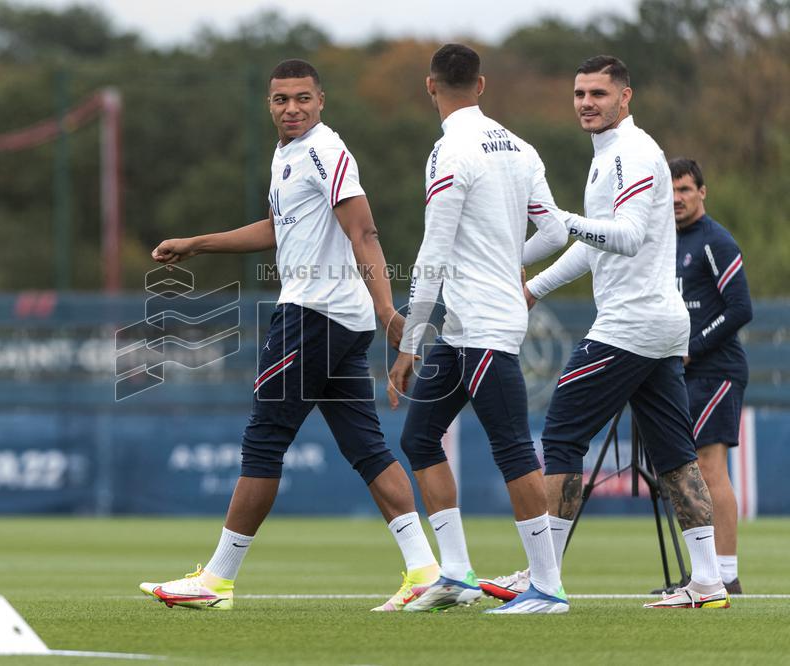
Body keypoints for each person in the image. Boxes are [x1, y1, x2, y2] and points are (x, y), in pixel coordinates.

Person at [140, 59, 441, 612]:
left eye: (303, 98)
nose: (292, 108)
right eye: (282, 99)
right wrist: (198, 243)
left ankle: (217, 581)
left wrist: (388, 312)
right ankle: (425, 571)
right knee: (366, 447)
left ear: (321, 101)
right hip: (334, 319)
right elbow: (279, 229)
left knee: (264, 440)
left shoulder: (325, 149)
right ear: (269, 105)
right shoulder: (288, 155)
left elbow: (364, 231)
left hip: (313, 316)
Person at [479, 55, 730, 609]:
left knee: (561, 436)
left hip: (631, 324)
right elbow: (598, 246)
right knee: (675, 456)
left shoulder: (631, 152)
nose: (586, 103)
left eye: (598, 93)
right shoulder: (609, 156)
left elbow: (628, 236)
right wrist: (532, 286)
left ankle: (543, 579)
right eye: (579, 94)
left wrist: (561, 219)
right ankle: (709, 582)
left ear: (625, 97)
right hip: (658, 327)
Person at [386, 43, 569, 614]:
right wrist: (509, 260)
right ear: (481, 85)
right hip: (464, 328)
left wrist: (408, 342)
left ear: (430, 86)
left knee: (512, 447)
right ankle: (457, 574)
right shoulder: (520, 147)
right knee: (419, 438)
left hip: (484, 325)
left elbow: (433, 251)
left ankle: (548, 587)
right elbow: (555, 232)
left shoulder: (450, 150)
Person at [671, 157, 752, 594]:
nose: (677, 198)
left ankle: (726, 574)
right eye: (670, 190)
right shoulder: (664, 241)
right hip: (679, 373)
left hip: (717, 371)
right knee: (687, 471)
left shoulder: (715, 240)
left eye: (685, 189)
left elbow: (741, 309)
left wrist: (693, 346)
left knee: (709, 467)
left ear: (702, 192)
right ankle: (704, 572)